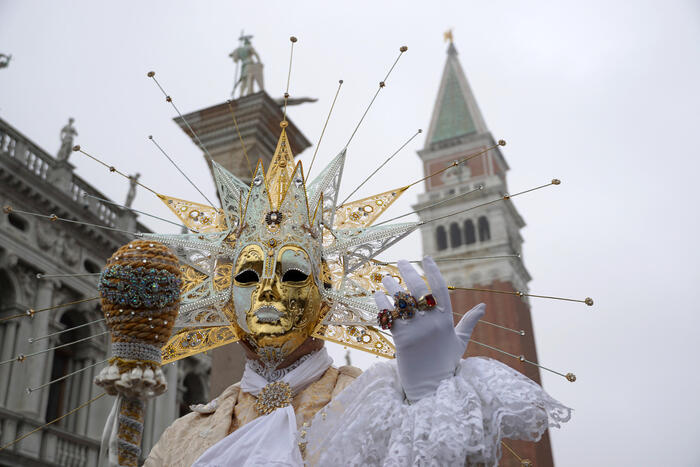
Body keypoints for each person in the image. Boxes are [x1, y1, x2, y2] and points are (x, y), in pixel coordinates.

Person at [142, 125, 570, 466]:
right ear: (223, 301)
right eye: (248, 276)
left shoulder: (376, 406)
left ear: (327, 298)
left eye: (293, 273)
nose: (267, 290)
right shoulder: (182, 436)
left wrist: (432, 398)